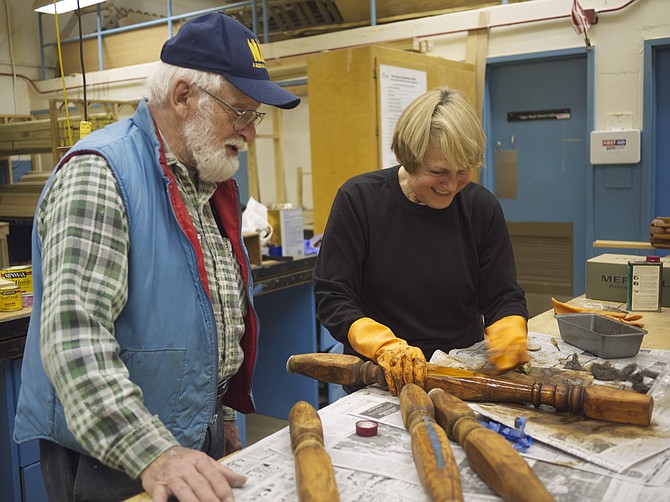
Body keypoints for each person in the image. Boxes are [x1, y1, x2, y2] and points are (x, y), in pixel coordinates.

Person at [13, 12, 300, 502]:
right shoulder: (100, 175)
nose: (249, 132)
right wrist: (152, 453)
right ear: (184, 95)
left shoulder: (205, 183)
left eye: (256, 115)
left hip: (189, 442)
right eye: (240, 111)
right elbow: (74, 343)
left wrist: (222, 419)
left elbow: (212, 321)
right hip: (114, 455)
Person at [313, 86, 528, 396]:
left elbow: (501, 294)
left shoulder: (481, 207)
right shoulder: (358, 201)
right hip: (380, 375)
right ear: (407, 158)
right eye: (438, 171)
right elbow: (333, 296)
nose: (452, 185)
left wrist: (509, 326)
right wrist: (383, 345)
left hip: (460, 373)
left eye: (463, 171)